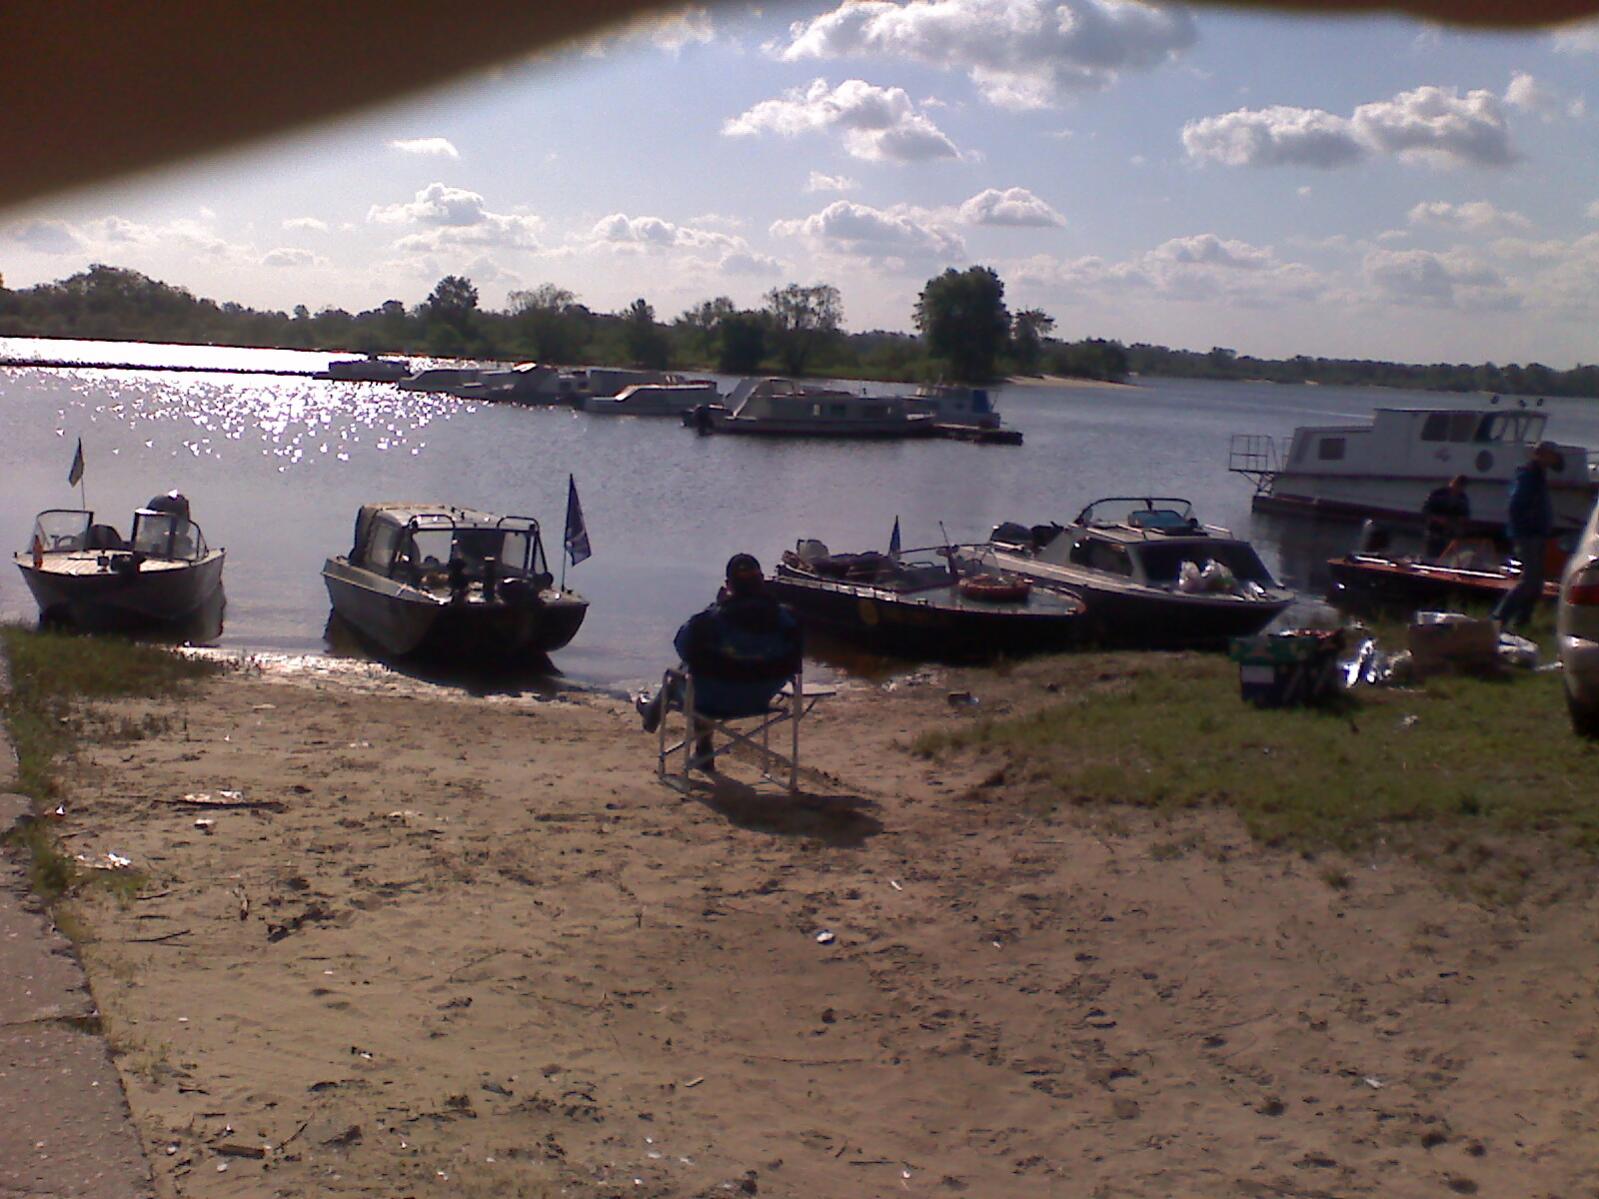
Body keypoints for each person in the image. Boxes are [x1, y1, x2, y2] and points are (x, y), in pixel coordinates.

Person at [639, 554, 804, 769]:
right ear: (762, 581)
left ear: (728, 585)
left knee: (690, 673)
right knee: (702, 670)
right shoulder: (787, 619)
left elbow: (682, 645)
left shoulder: (711, 620)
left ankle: (657, 717)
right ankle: (699, 749)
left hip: (712, 699)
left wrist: (717, 606)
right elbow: (795, 659)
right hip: (760, 697)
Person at [1493, 441, 1562, 630]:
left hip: (1537, 533)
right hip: (1528, 534)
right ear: (1541, 454)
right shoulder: (1529, 474)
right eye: (1550, 455)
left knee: (1537, 582)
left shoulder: (1538, 474)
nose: (1553, 459)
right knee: (1529, 580)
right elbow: (1516, 504)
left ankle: (1523, 620)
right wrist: (1527, 527)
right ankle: (1498, 619)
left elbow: (1559, 467)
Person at [1421, 475, 1471, 560]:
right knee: (1431, 554)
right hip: (1434, 529)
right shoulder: (1438, 494)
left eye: (1461, 486)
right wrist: (1437, 518)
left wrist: (1459, 522)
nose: (1457, 488)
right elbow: (1425, 509)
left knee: (1447, 556)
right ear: (1452, 482)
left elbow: (1465, 514)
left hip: (1451, 532)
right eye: (1456, 484)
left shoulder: (1462, 498)